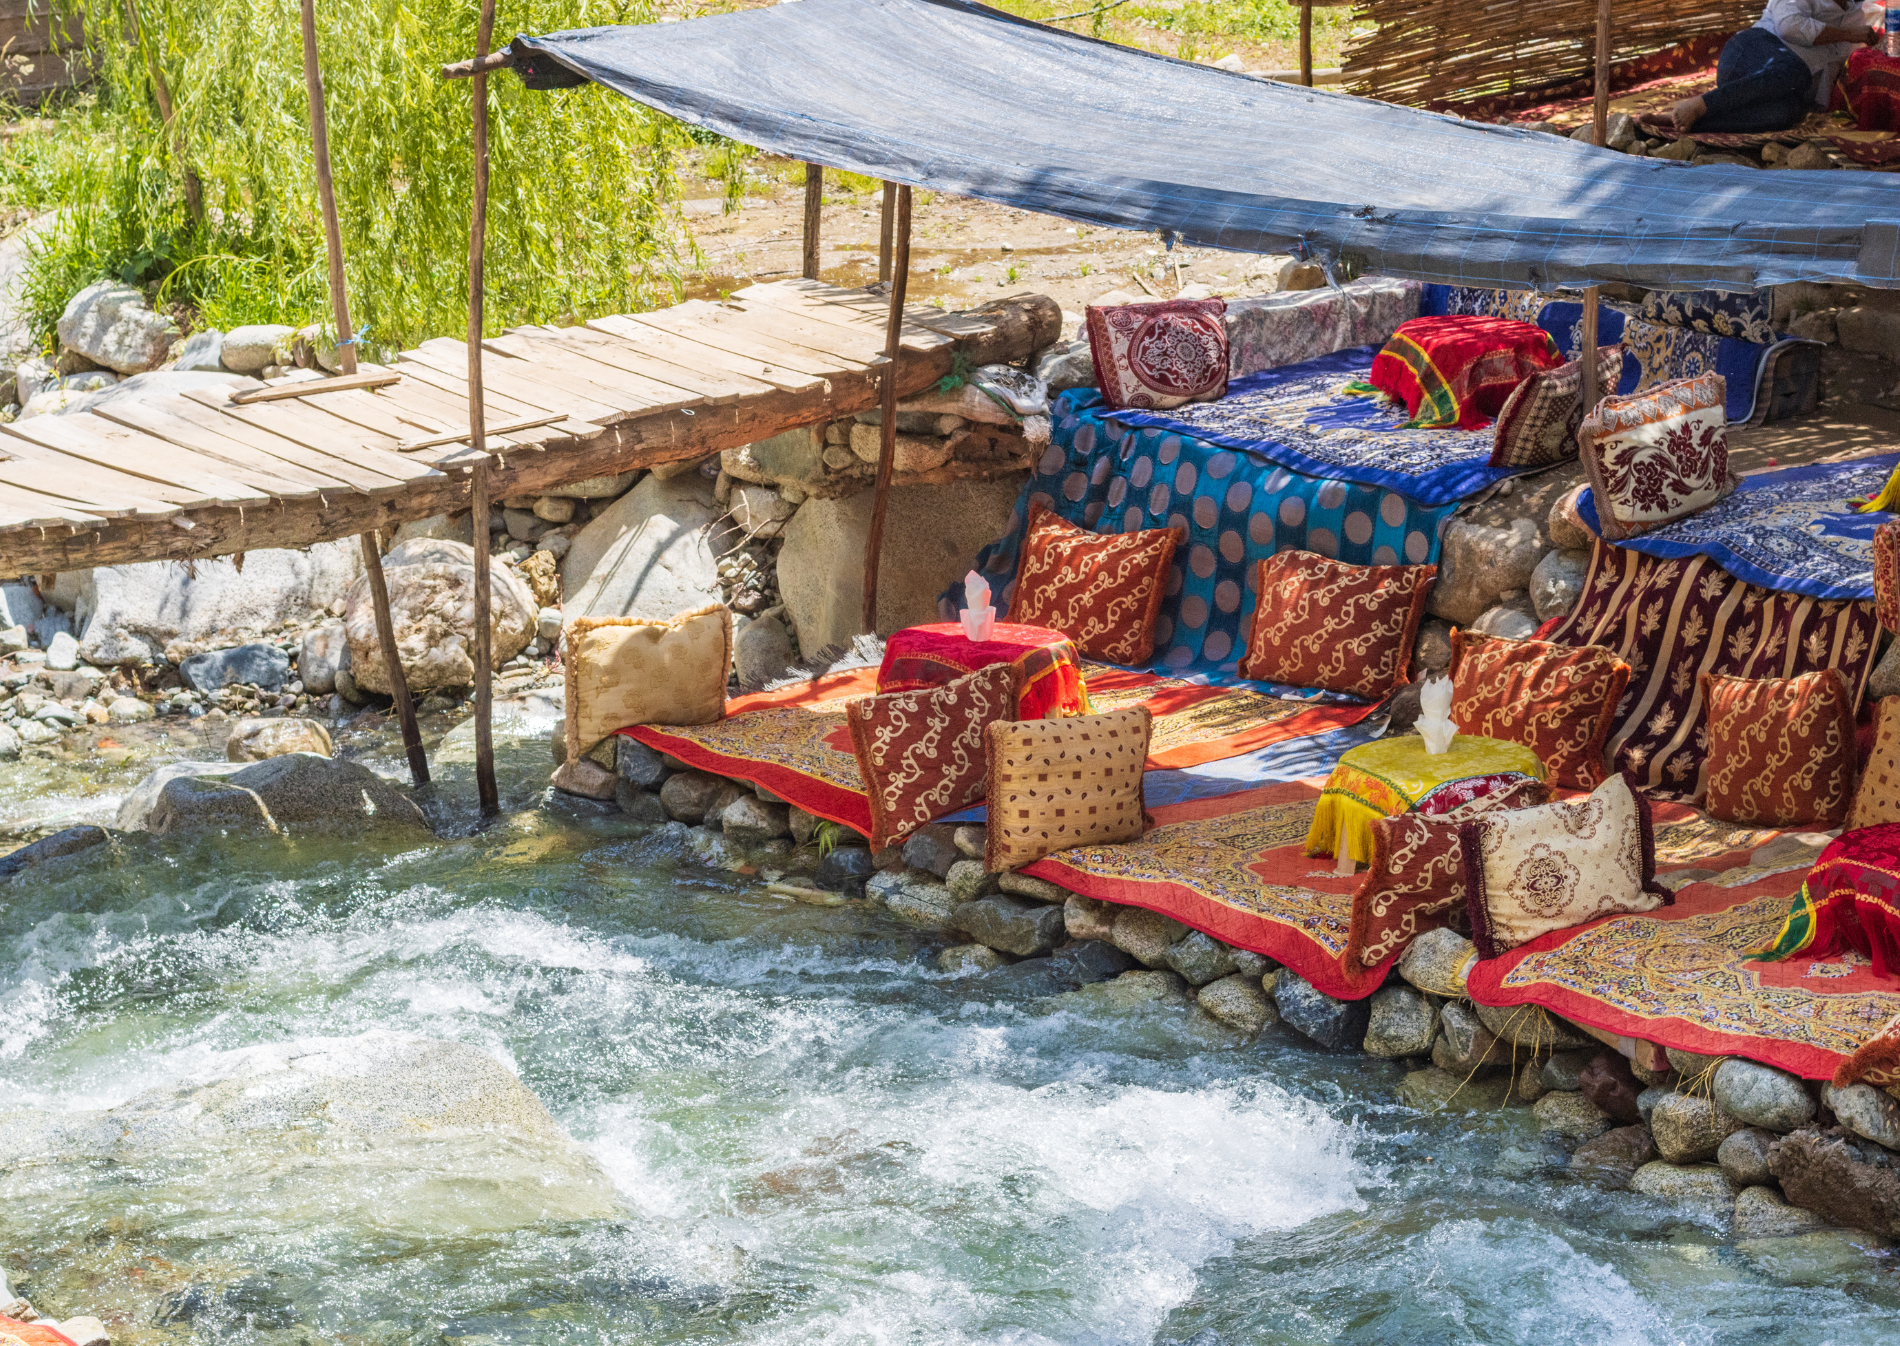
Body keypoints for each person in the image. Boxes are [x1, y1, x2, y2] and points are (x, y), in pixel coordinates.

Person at [1666, 0, 1878, 133]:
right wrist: (1849, 35)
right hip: (1747, 53)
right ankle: (1701, 104)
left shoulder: (1855, 13)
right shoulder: (1854, 29)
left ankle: (1687, 121)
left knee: (1786, 113)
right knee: (1795, 69)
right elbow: (1789, 27)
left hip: (1768, 90)